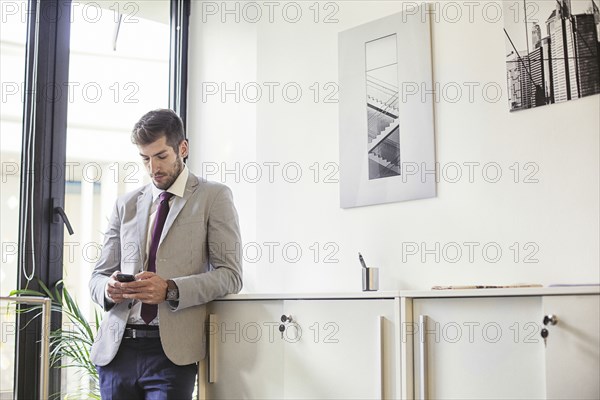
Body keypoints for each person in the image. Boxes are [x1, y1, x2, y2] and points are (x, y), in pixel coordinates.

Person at [89, 108, 242, 399]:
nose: (152, 168)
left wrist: (171, 289)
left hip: (171, 355)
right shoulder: (126, 204)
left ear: (182, 148)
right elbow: (97, 277)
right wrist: (108, 289)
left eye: (161, 156)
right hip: (117, 351)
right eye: (145, 158)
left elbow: (231, 276)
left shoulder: (214, 197)